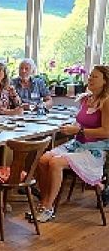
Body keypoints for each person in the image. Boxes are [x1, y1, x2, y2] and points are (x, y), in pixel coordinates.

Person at [35, 65, 109, 222]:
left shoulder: (106, 102)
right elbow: (80, 122)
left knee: (55, 163)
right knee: (43, 160)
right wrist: (71, 126)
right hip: (77, 145)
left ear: (105, 81)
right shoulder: (86, 99)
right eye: (90, 75)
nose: (90, 78)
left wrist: (79, 131)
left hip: (93, 150)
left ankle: (47, 207)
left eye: (95, 76)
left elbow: (106, 132)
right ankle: (44, 201)